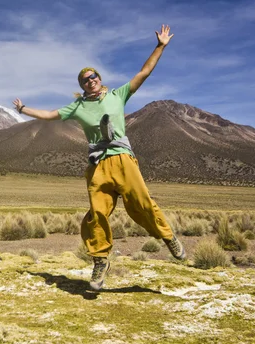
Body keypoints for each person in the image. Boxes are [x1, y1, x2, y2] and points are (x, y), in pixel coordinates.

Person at [13, 25, 185, 290]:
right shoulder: (78, 107)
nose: (90, 80)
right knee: (97, 213)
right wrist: (23, 109)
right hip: (98, 166)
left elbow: (144, 72)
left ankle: (168, 236)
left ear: (99, 78)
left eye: (93, 76)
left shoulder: (118, 95)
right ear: (81, 85)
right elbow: (49, 115)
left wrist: (160, 46)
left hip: (123, 159)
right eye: (85, 79)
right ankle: (100, 262)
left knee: (141, 203)